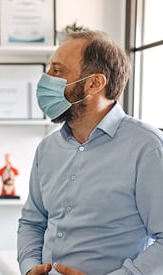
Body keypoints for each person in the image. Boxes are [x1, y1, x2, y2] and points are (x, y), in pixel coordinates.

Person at [17, 30, 163, 275]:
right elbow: (32, 222)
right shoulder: (47, 149)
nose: (46, 79)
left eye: (57, 70)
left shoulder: (148, 147)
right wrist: (30, 267)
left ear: (94, 83)